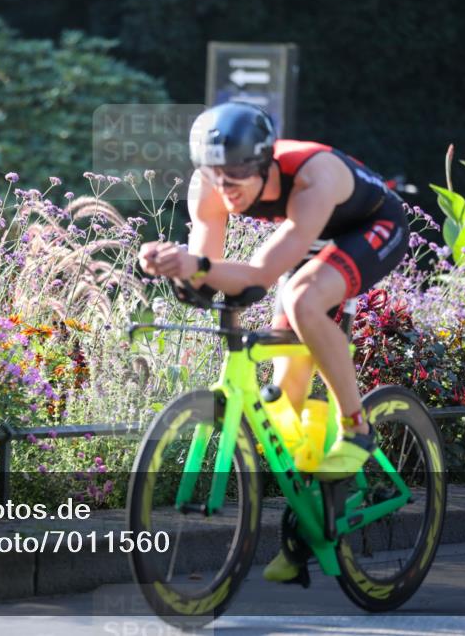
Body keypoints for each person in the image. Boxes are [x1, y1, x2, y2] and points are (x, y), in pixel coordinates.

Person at [137, 101, 409, 583]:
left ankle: (357, 428)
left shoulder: (311, 175)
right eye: (216, 172)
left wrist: (196, 267)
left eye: (239, 172)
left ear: (266, 162)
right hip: (308, 238)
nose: (227, 186)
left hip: (371, 226)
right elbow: (211, 270)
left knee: (301, 296)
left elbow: (260, 274)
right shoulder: (211, 187)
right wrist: (175, 266)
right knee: (284, 404)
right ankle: (309, 527)